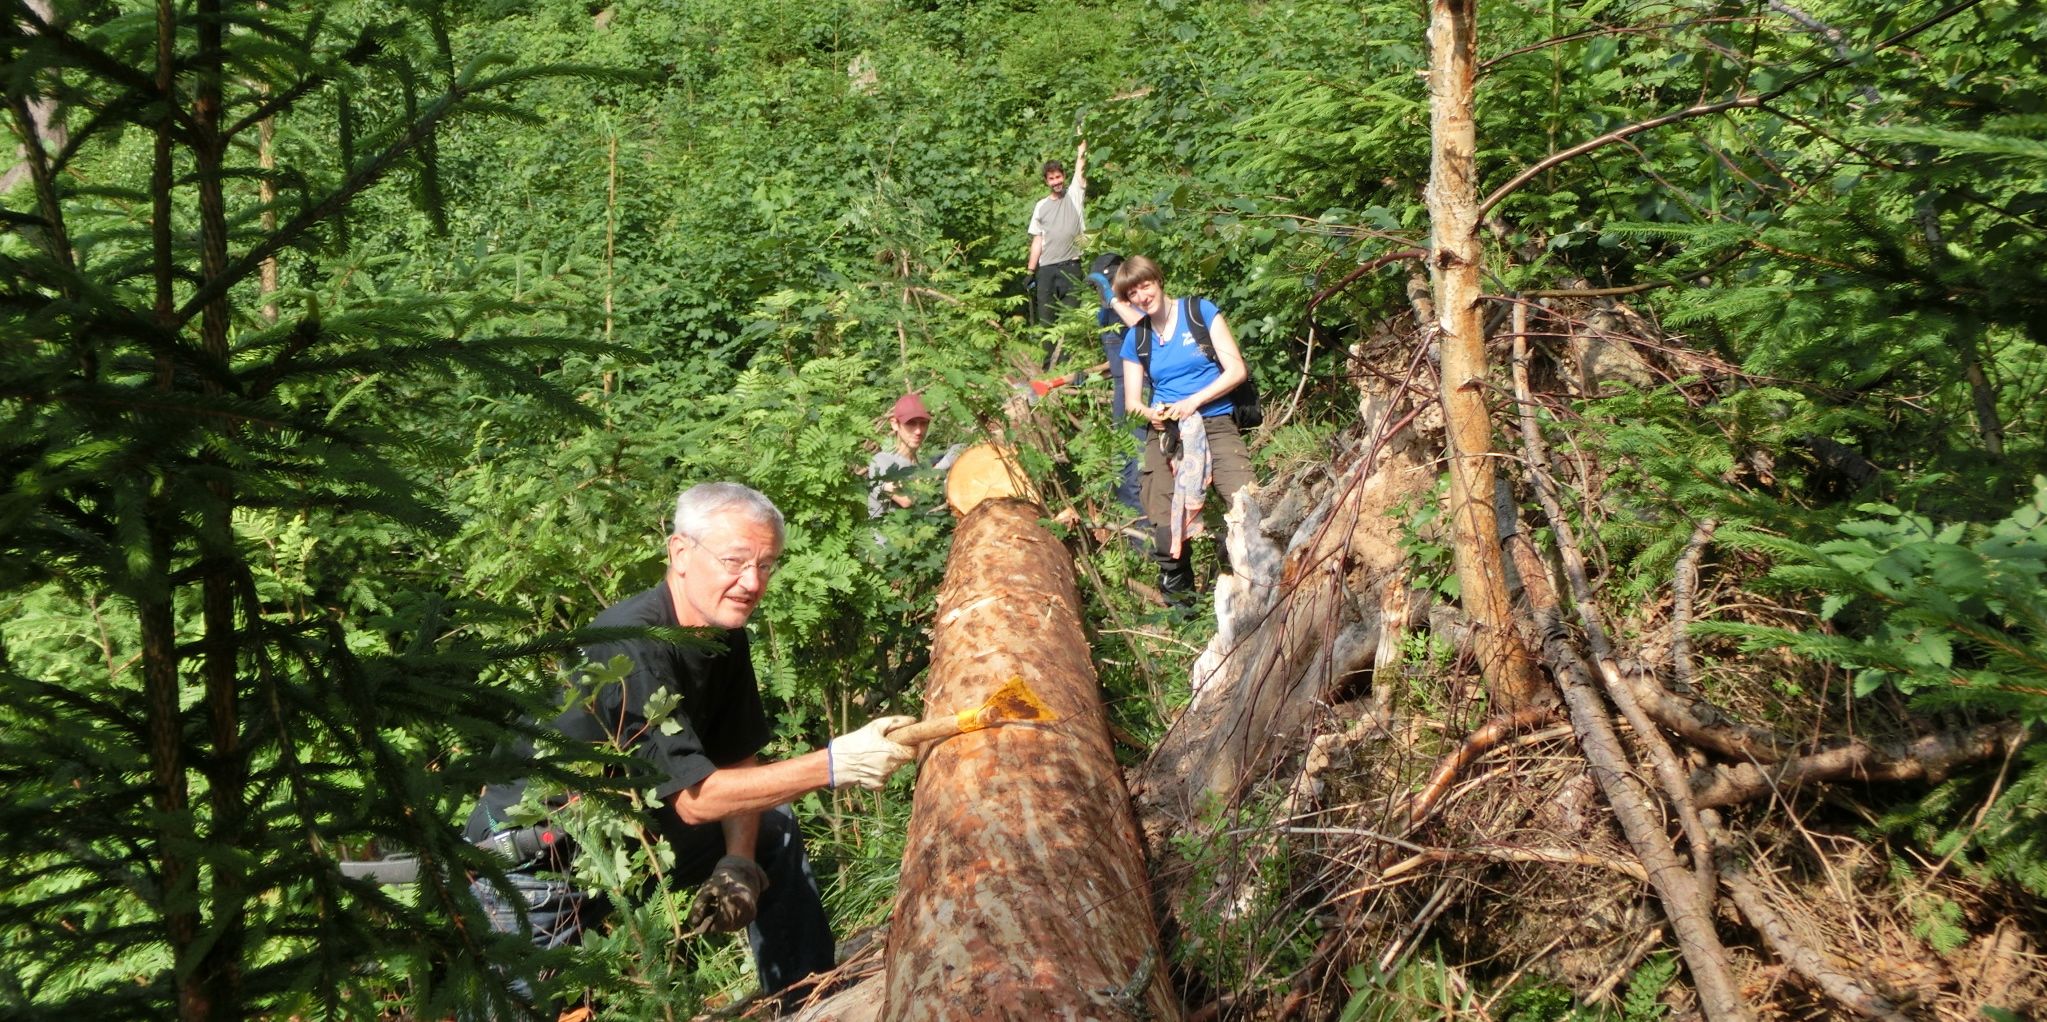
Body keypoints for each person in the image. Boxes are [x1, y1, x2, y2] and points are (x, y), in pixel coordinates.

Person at [466, 482, 918, 1011]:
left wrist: (739, 863)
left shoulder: (725, 636)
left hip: (626, 836)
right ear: (680, 553)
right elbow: (697, 799)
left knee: (772, 825)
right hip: (536, 864)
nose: (751, 582)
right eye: (735, 561)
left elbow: (736, 759)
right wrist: (837, 764)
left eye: (766, 565)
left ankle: (808, 1003)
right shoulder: (630, 641)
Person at [1113, 256, 1256, 604]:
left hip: (1216, 420)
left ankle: (1255, 581)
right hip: (1167, 433)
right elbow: (1132, 402)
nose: (1143, 296)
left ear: (1158, 280)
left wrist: (1193, 402)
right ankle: (1182, 608)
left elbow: (1236, 370)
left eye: (1145, 285)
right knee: (1162, 521)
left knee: (1248, 502)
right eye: (1133, 293)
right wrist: (1153, 414)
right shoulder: (1137, 338)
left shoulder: (1199, 312)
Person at [1025, 139, 1087, 334]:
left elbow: (1081, 167)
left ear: (1064, 176)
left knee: (1072, 321)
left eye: (1058, 177)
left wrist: (1081, 146)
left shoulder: (1074, 195)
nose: (1056, 182)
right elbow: (1037, 240)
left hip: (1071, 266)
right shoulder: (1041, 206)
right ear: (1046, 181)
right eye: (1051, 179)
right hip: (1046, 270)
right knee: (1047, 320)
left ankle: (1070, 362)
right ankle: (1048, 363)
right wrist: (1030, 271)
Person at [867, 392, 962, 519]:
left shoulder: (920, 466)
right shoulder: (881, 461)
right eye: (911, 423)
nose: (918, 431)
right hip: (888, 538)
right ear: (895, 424)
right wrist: (942, 467)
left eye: (923, 423)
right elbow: (906, 500)